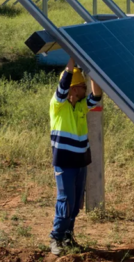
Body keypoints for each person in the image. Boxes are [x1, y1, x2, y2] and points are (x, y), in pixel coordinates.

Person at [49, 58, 102, 255]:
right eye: (81, 86)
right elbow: (62, 87)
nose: (85, 89)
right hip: (65, 163)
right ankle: (56, 237)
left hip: (80, 163)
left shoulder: (80, 106)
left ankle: (68, 236)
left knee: (76, 202)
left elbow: (97, 96)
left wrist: (93, 71)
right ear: (72, 89)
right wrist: (71, 61)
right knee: (66, 201)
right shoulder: (58, 105)